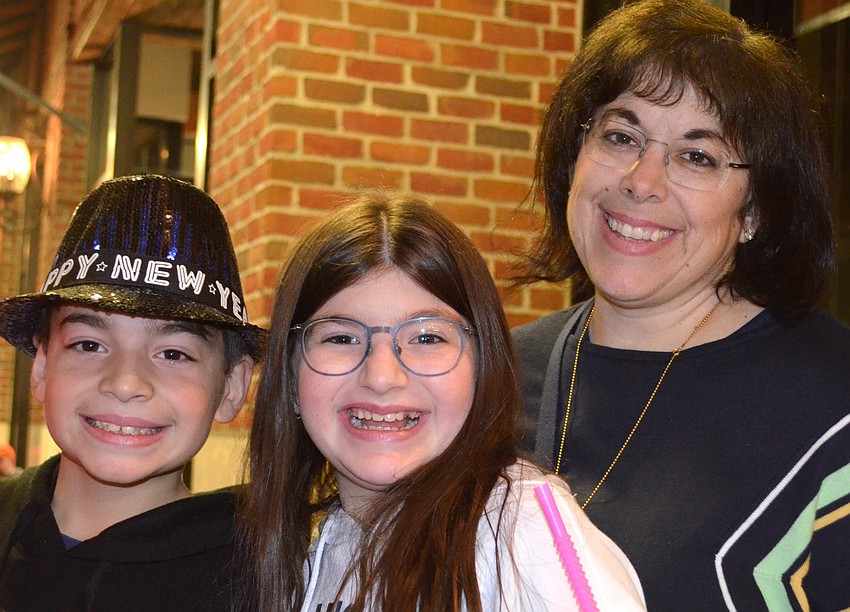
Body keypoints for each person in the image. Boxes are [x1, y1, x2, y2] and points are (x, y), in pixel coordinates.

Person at [511, 0, 850, 610]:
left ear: (755, 210)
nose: (642, 181)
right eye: (621, 136)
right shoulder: (487, 379)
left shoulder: (834, 400)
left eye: (698, 156)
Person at [235, 194, 645, 611]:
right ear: (289, 377)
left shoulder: (523, 535)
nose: (381, 377)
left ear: (483, 366)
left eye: (427, 337)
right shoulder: (312, 553)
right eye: (341, 338)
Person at [0, 174, 265, 611]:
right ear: (42, 366)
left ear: (231, 387)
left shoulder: (270, 580)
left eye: (174, 354)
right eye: (89, 345)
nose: (125, 383)